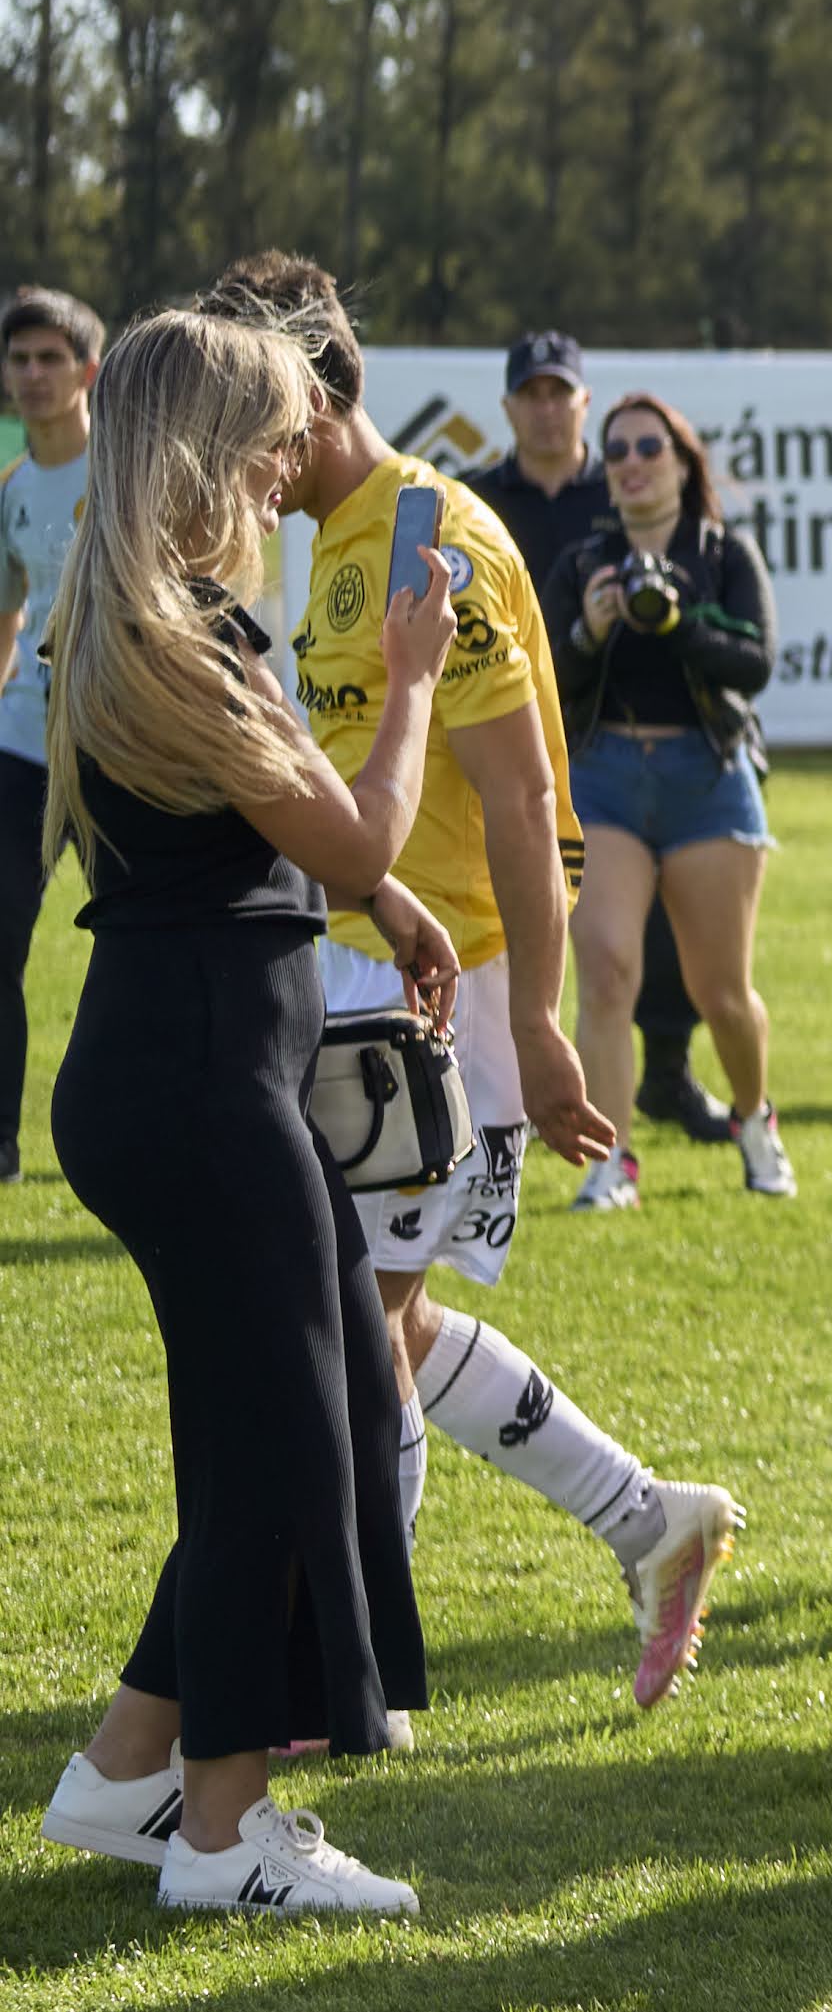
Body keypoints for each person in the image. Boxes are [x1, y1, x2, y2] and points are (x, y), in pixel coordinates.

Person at [219, 256, 739, 1716]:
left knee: (354, 1333)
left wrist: (541, 1026)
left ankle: (347, 1668)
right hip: (365, 972)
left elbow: (520, 803)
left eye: (239, 407)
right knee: (373, 1317)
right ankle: (645, 1517)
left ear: (309, 396)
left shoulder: (435, 536)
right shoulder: (326, 539)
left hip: (439, 997)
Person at [29, 305, 452, 1916]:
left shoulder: (140, 617)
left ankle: (129, 1770)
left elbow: (300, 862)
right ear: (208, 448)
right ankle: (227, 1837)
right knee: (276, 1440)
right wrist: (408, 675)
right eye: (273, 439)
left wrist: (390, 902)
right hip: (199, 1079)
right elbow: (346, 837)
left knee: (323, 1416)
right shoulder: (178, 632)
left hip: (188, 1066)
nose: (290, 474)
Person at [468, 331, 730, 1162]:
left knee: (649, 927)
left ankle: (666, 1072)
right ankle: (507, 1082)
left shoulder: (620, 492)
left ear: (582, 402)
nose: (546, 408)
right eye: (532, 394)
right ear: (509, 406)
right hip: (499, 720)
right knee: (503, 906)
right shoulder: (477, 497)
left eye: (560, 393)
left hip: (598, 727)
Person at [548, 391, 787, 1198]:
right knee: (607, 969)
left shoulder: (725, 555)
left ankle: (755, 1121)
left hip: (707, 777)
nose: (632, 464)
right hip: (605, 776)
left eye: (649, 447)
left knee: (719, 991)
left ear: (683, 462)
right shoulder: (583, 562)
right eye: (615, 451)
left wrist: (678, 621)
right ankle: (609, 1162)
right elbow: (549, 678)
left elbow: (754, 664)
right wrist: (589, 628)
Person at [0, 282, 103, 1183]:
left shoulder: (126, 468)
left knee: (143, 948)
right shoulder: (14, 488)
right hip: (23, 754)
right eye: (20, 358)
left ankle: (138, 1134)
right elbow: (7, 611)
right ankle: (1, 1143)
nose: (33, 374)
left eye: (49, 358)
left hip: (121, 753)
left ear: (88, 370)